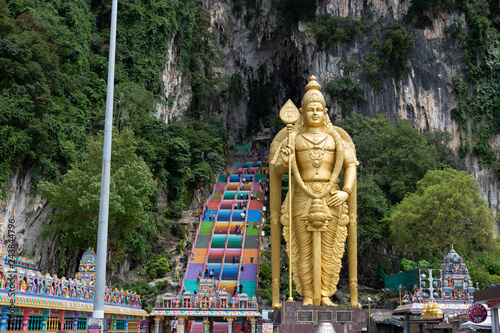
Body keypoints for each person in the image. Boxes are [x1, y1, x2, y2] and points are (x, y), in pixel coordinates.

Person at [270, 76, 359, 308]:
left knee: (329, 250)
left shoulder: (336, 138)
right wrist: (286, 161)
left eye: (320, 109)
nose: (316, 113)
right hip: (301, 195)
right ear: (302, 112)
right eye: (311, 109)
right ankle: (308, 295)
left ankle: (326, 294)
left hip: (332, 197)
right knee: (304, 248)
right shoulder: (294, 138)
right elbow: (277, 170)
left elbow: (350, 166)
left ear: (326, 111)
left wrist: (346, 192)